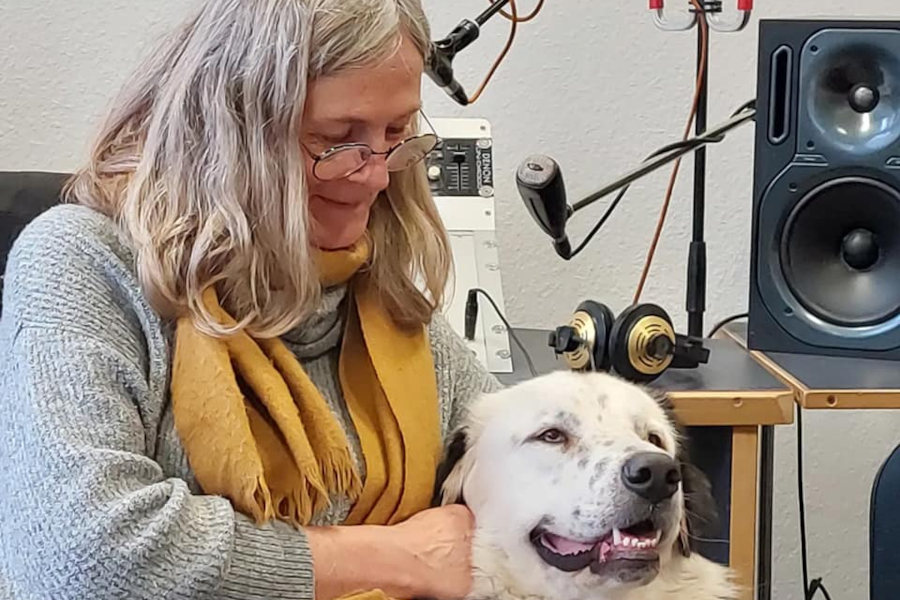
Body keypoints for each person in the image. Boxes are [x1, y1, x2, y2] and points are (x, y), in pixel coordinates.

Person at [0, 1, 503, 599]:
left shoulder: (378, 295)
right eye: (337, 140)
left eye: (397, 133)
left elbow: (529, 457)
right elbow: (82, 559)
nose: (376, 175)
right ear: (230, 128)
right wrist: (393, 557)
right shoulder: (86, 262)